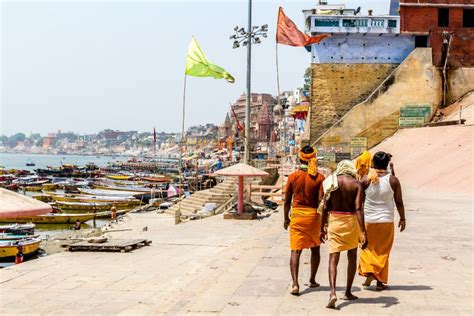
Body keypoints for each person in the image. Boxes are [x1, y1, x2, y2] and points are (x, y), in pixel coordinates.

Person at [320, 160, 368, 308]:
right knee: (352, 256)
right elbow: (358, 208)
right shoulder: (356, 184)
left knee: (333, 258)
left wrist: (322, 227)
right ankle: (347, 292)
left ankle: (333, 293)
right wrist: (363, 231)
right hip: (351, 221)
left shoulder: (332, 181)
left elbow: (325, 207)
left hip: (335, 220)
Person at [358, 151, 406, 291]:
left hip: (368, 221)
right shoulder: (393, 180)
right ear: (387, 164)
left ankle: (370, 272)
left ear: (372, 164)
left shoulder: (365, 180)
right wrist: (402, 218)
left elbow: (359, 203)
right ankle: (379, 282)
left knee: (366, 248)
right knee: (383, 251)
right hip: (386, 221)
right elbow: (399, 202)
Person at [284, 146, 325, 295]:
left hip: (297, 217)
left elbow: (287, 201)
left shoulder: (293, 177)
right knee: (315, 249)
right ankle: (312, 280)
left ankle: (295, 284)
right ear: (313, 159)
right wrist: (323, 223)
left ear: (300, 159)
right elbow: (321, 201)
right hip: (314, 217)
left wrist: (285, 219)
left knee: (296, 251)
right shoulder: (320, 178)